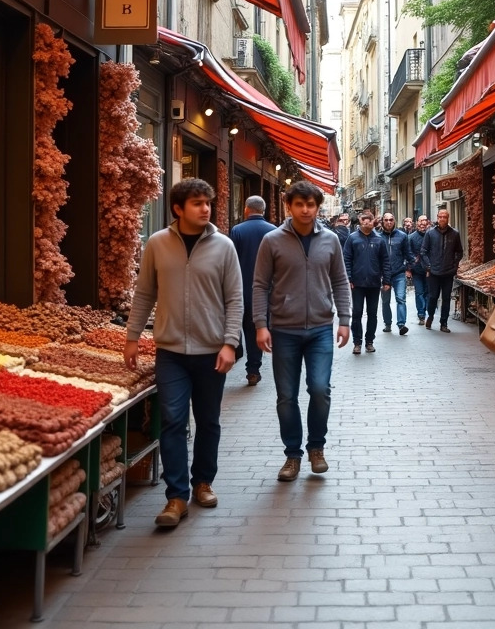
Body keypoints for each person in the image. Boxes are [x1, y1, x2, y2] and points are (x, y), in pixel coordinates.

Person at [124, 178, 243, 529]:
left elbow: (235, 299)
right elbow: (144, 293)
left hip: (211, 351)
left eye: (207, 202)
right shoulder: (157, 244)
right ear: (178, 208)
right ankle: (175, 496)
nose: (205, 208)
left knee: (208, 422)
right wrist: (132, 337)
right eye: (197, 203)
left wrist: (230, 343)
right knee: (173, 421)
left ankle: (202, 483)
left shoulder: (224, 247)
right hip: (171, 350)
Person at [253, 181, 352, 481]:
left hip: (321, 328)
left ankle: (316, 448)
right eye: (300, 204)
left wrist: (345, 320)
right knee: (286, 396)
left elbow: (339, 280)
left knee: (320, 390)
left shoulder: (331, 240)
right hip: (284, 330)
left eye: (311, 204)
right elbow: (259, 285)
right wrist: (260, 325)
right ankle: (292, 455)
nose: (306, 210)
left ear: (318, 207)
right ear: (289, 206)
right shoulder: (272, 240)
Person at [229, 195, 276, 387]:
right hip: (265, 290)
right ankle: (253, 369)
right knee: (255, 327)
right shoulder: (274, 232)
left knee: (235, 325)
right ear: (263, 210)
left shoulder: (237, 231)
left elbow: (230, 261)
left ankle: (235, 353)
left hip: (240, 287)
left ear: (246, 209)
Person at [342, 209, 389, 354]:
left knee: (372, 313)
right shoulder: (352, 238)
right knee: (356, 313)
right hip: (357, 283)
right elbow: (346, 259)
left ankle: (369, 341)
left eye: (369, 219)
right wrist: (349, 278)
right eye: (363, 220)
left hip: (374, 283)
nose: (366, 222)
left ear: (373, 221)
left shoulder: (379, 239)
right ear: (360, 221)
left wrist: (387, 280)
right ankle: (357, 342)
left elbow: (385, 261)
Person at [421, 208, 463, 332]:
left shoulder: (454, 233)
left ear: (448, 218)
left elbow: (459, 252)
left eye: (445, 217)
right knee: (433, 296)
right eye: (440, 217)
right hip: (434, 271)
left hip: (448, 272)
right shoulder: (430, 233)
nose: (442, 219)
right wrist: (428, 266)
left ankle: (443, 323)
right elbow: (423, 252)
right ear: (437, 218)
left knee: (446, 298)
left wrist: (454, 264)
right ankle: (431, 316)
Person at [377, 212, 412, 335]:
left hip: (398, 273)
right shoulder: (377, 237)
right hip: (383, 275)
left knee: (400, 299)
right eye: (386, 220)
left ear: (394, 221)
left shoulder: (402, 236)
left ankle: (402, 325)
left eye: (391, 220)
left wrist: (408, 267)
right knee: (385, 301)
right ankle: (387, 323)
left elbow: (408, 254)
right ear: (382, 221)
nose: (388, 222)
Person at [407, 215, 430, 325]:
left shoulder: (431, 236)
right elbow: (408, 253)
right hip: (417, 270)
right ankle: (421, 314)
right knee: (419, 292)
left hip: (430, 270)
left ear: (428, 223)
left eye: (425, 221)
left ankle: (427, 311)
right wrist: (408, 268)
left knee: (428, 292)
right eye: (421, 221)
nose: (423, 223)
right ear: (417, 223)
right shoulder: (411, 237)